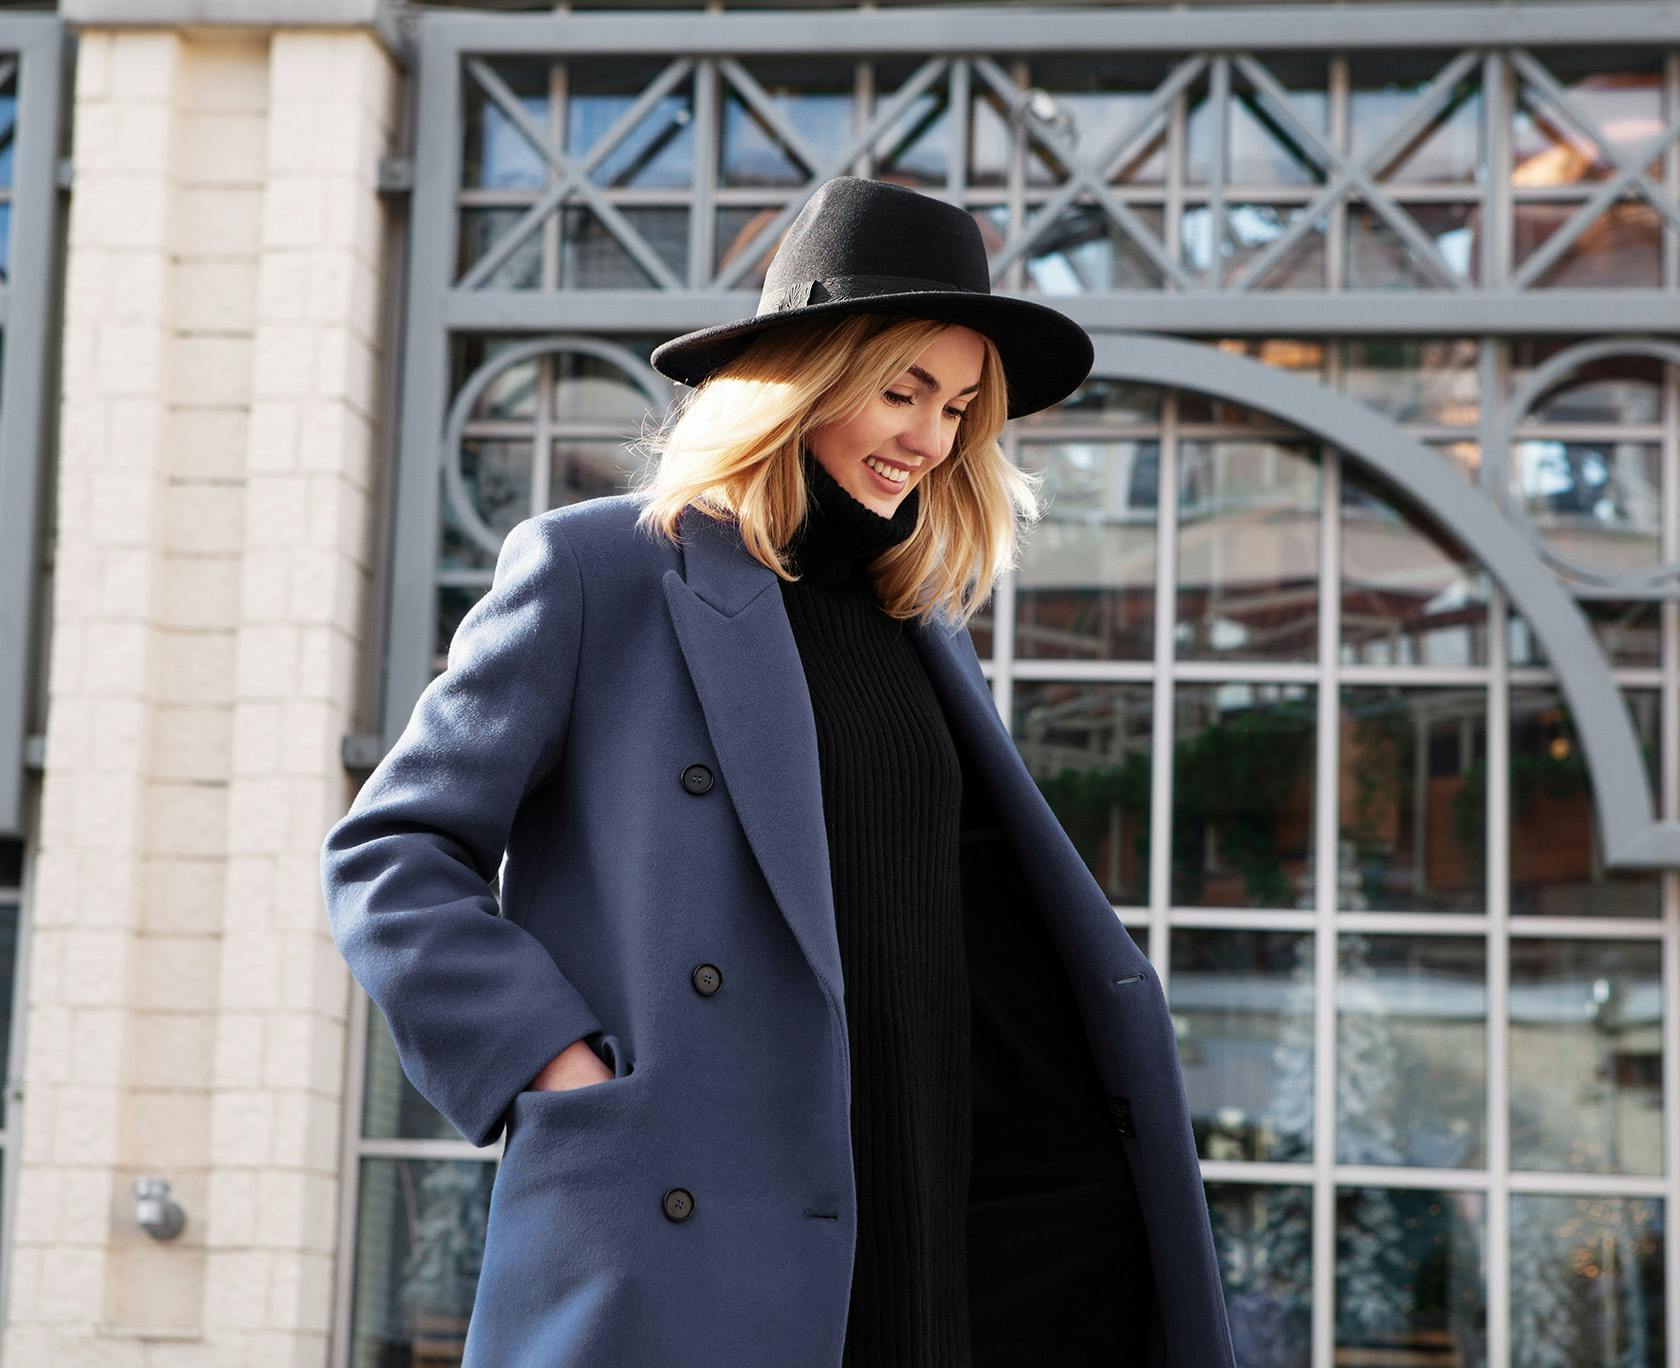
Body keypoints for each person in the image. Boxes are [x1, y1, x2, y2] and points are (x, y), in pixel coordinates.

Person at [321, 174, 1235, 1368]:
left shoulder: (921, 627)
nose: (930, 437)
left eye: (960, 406)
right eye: (901, 390)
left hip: (932, 1192)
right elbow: (392, 854)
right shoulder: (601, 572)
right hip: (698, 1205)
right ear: (802, 380)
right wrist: (552, 1061)